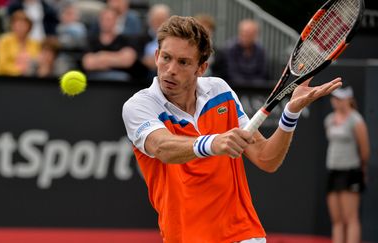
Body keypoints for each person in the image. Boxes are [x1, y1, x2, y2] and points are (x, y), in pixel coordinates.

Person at [122, 15, 342, 243]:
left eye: (183, 62)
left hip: (243, 233)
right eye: (166, 58)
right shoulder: (139, 106)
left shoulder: (220, 91)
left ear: (201, 67)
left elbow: (266, 158)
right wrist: (213, 143)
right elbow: (162, 147)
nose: (170, 70)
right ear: (157, 56)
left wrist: (291, 114)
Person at [324, 86, 370, 243]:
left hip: (350, 172)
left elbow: (364, 150)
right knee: (336, 220)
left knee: (350, 218)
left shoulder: (356, 120)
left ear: (348, 99)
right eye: (334, 98)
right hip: (333, 171)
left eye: (338, 98)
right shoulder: (329, 120)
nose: (334, 101)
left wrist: (362, 170)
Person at [81, 7, 138, 82]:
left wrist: (101, 56)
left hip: (120, 80)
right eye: (103, 19)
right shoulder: (91, 40)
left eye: (109, 19)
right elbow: (88, 63)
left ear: (116, 21)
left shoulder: (124, 39)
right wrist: (116, 58)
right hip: (94, 80)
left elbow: (127, 61)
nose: (105, 22)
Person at [0, 10, 40, 76]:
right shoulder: (4, 40)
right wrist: (20, 70)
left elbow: (37, 62)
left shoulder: (35, 43)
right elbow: (2, 64)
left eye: (23, 25)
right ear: (12, 26)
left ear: (29, 27)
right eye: (18, 25)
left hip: (28, 78)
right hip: (4, 77)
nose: (20, 28)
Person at [226, 19, 267, 86]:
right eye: (244, 33)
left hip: (255, 87)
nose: (246, 37)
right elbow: (231, 72)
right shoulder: (230, 48)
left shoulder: (260, 50)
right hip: (235, 86)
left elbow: (262, 73)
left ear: (255, 35)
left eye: (249, 34)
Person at [195, 13, 229, 80]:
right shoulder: (186, 50)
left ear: (212, 32)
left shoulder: (219, 53)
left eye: (207, 30)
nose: (203, 34)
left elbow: (222, 73)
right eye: (201, 30)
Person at [141, 3, 171, 79]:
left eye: (162, 20)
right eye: (156, 20)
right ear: (150, 20)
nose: (159, 23)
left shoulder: (172, 40)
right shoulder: (141, 37)